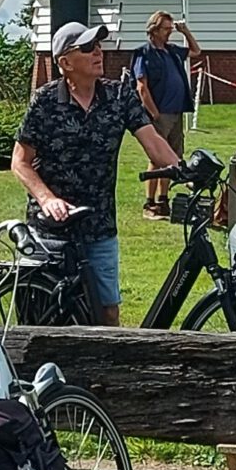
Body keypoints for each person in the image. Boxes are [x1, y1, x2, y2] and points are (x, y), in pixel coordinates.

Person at [12, 21, 186, 325]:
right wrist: (47, 199)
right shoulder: (45, 101)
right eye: (88, 47)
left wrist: (184, 170)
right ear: (65, 63)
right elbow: (20, 162)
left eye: (98, 45)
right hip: (52, 229)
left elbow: (153, 141)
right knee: (47, 314)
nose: (98, 52)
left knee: (107, 313)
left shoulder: (119, 96)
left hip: (99, 225)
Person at [130, 11, 205, 216]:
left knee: (172, 158)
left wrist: (185, 31)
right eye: (165, 29)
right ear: (154, 30)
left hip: (176, 111)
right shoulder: (143, 53)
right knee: (157, 158)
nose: (169, 32)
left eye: (171, 28)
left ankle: (163, 200)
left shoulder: (172, 51)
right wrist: (154, 113)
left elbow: (196, 51)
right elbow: (141, 86)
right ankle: (150, 202)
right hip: (160, 114)